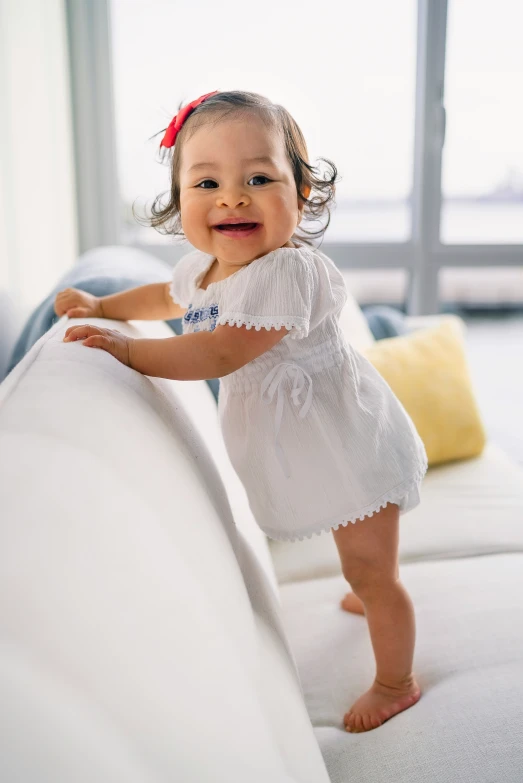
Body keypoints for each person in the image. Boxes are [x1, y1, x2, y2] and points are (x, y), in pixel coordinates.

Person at [56, 90, 428, 733]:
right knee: (360, 563)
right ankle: (366, 586)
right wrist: (105, 306)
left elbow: (223, 351)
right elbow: (162, 299)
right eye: (207, 181)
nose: (232, 197)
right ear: (180, 202)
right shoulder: (203, 270)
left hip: (348, 441)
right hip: (311, 446)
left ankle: (396, 679)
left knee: (373, 568)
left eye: (259, 177)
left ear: (302, 192)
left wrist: (127, 354)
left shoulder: (288, 272)